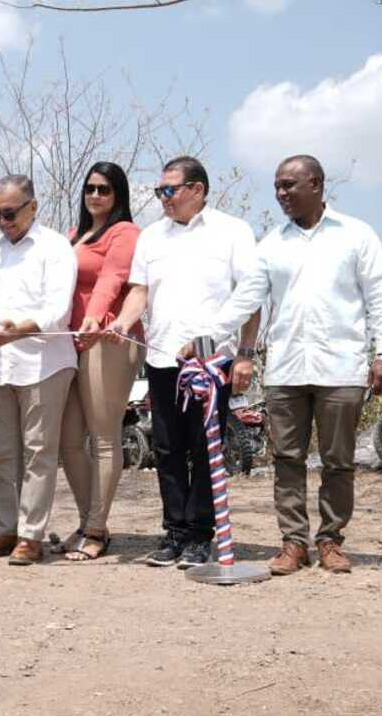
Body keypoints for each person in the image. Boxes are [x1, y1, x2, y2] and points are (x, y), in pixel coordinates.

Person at [199, 154, 382, 575]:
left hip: (341, 367)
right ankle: (293, 543)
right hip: (287, 370)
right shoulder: (272, 244)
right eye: (277, 186)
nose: (281, 194)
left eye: (289, 185)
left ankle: (330, 540)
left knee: (338, 460)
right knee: (287, 459)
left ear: (316, 183)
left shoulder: (356, 235)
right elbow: (244, 300)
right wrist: (203, 338)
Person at [106, 156, 261, 569]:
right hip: (162, 358)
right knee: (167, 447)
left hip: (212, 362)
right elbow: (139, 291)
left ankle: (199, 534)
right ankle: (174, 531)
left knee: (204, 446)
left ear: (198, 190)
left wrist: (246, 354)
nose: (163, 199)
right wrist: (122, 321)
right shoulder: (152, 237)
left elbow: (251, 296)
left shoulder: (232, 232)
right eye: (159, 191)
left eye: (169, 190)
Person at [0, 175, 78, 565]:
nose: (3, 221)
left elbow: (58, 309)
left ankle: (31, 535)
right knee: (1, 451)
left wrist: (19, 332)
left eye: (10, 213)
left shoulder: (55, 246)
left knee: (39, 452)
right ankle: (5, 527)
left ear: (33, 206)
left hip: (43, 362)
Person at [56, 161, 143, 561]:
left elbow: (113, 276)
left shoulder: (125, 233)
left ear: (118, 195)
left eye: (104, 189)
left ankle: (95, 529)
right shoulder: (73, 234)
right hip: (68, 341)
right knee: (67, 440)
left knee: (104, 436)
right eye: (90, 188)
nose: (95, 196)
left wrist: (96, 317)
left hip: (106, 337)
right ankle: (91, 519)